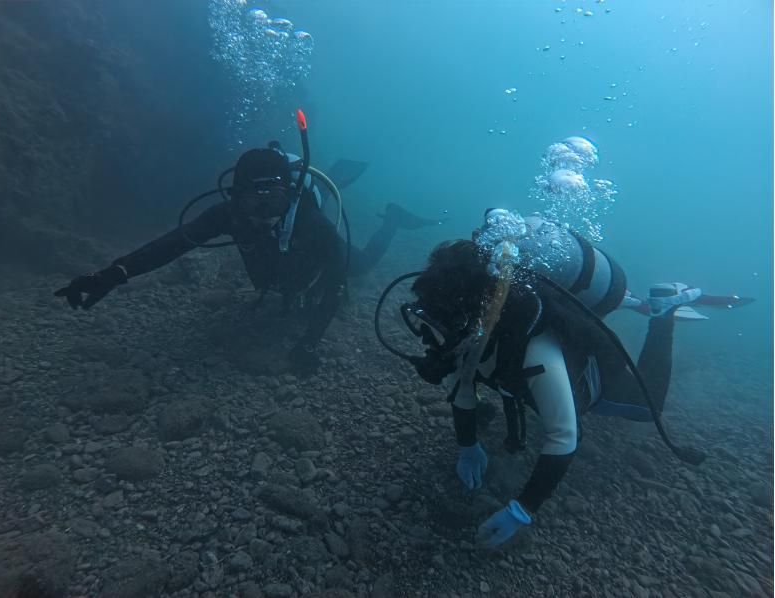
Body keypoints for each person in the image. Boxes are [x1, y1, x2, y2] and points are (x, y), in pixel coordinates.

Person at [376, 208, 735, 549]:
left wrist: (523, 509)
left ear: (469, 314)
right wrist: (467, 445)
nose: (427, 337)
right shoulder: (471, 327)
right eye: (425, 318)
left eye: (436, 324)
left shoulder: (534, 350)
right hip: (523, 345)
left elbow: (564, 435)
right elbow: (464, 386)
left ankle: (664, 309)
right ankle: (626, 301)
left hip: (592, 370)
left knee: (647, 406)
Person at [55, 133, 439, 373]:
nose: (265, 216)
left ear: (287, 197)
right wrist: (112, 274)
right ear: (235, 198)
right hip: (280, 266)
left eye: (273, 203)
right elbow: (172, 245)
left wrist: (308, 343)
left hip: (314, 258)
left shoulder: (307, 218)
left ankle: (392, 219)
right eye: (253, 203)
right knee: (272, 277)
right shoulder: (228, 214)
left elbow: (337, 280)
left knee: (361, 266)